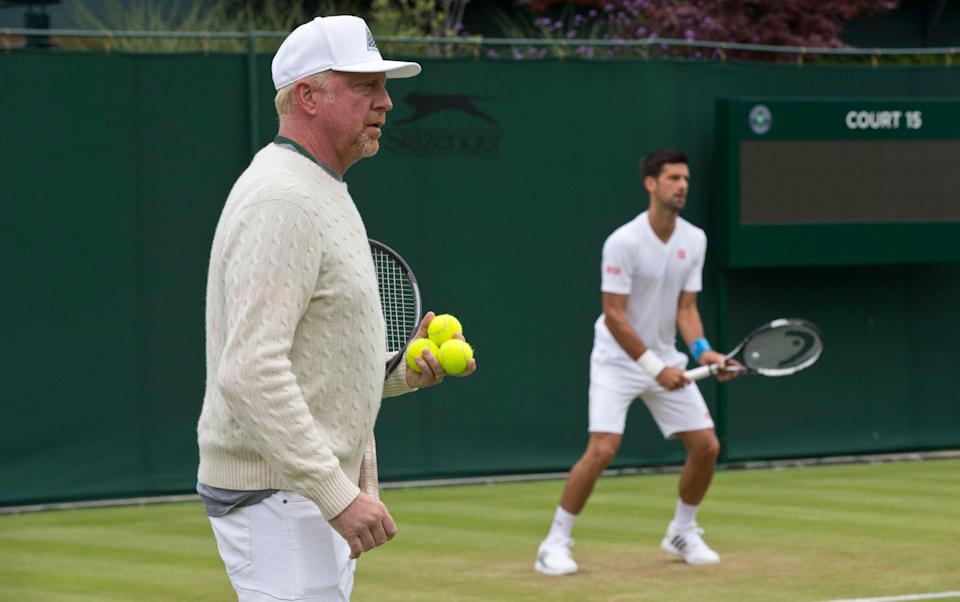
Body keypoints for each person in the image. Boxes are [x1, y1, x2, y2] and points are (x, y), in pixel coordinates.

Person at [195, 16, 476, 602]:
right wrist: (337, 495)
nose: (386, 101)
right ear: (308, 97)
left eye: (383, 86)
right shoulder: (283, 198)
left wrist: (400, 370)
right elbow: (250, 370)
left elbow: (318, 364)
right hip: (279, 498)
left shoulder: (321, 187)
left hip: (297, 494)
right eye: (364, 86)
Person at [534, 149, 739, 576]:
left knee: (706, 447)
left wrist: (703, 352)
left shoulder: (694, 239)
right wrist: (653, 368)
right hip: (617, 359)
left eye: (686, 178)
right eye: (673, 178)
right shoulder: (623, 242)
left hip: (665, 356)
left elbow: (687, 309)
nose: (682, 185)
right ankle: (553, 543)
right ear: (651, 184)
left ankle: (682, 531)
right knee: (603, 449)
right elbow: (614, 315)